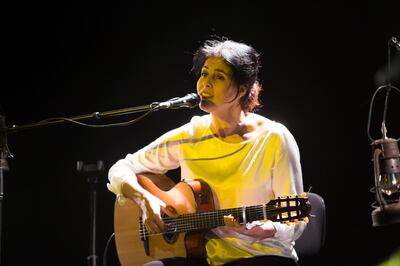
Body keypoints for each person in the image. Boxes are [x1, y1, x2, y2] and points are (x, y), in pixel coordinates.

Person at [107, 38, 306, 266]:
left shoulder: (274, 138)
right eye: (204, 74)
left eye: (218, 77)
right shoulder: (191, 135)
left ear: (242, 89)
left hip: (260, 255)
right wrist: (144, 200)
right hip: (201, 255)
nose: (205, 84)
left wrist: (265, 229)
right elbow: (120, 168)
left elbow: (296, 221)